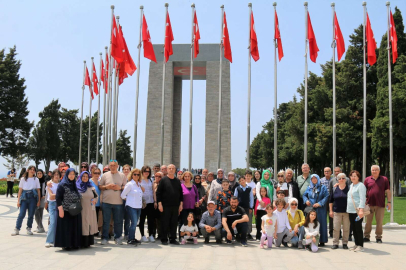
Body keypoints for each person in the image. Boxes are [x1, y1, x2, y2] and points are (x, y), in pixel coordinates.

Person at [99, 160, 127, 245]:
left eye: (114, 165)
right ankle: (105, 238)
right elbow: (100, 186)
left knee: (118, 221)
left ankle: (117, 237)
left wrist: (120, 187)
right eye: (111, 165)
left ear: (117, 166)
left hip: (118, 202)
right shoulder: (105, 175)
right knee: (106, 221)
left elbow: (126, 187)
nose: (113, 167)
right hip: (106, 202)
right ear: (109, 166)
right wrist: (107, 187)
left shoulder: (122, 175)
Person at [54, 168, 82, 250]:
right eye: (70, 174)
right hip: (65, 210)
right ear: (67, 175)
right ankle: (66, 245)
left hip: (74, 210)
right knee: (66, 228)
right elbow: (58, 198)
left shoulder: (74, 184)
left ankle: (74, 244)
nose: (72, 176)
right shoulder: (62, 185)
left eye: (73, 174)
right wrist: (60, 210)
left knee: (73, 228)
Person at [156, 164, 183, 245]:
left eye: (173, 168)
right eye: (169, 168)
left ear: (175, 170)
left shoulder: (177, 181)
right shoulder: (163, 180)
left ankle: (173, 238)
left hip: (175, 206)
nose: (171, 170)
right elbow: (158, 193)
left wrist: (181, 205)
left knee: (174, 223)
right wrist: (160, 204)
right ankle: (164, 239)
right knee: (165, 222)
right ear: (167, 170)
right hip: (165, 206)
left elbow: (181, 194)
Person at [364, 165, 390, 244]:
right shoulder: (367, 179)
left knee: (379, 222)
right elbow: (363, 191)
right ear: (371, 171)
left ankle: (378, 237)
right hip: (369, 204)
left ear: (379, 171)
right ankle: (366, 236)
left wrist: (389, 202)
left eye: (376, 170)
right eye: (373, 170)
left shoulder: (384, 179)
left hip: (380, 204)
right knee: (368, 221)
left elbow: (388, 191)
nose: (374, 171)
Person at [12, 166, 40, 236]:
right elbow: (20, 190)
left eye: (34, 170)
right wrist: (18, 201)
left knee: (31, 214)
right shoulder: (23, 179)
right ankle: (17, 229)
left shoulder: (36, 179)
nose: (32, 171)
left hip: (33, 197)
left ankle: (29, 228)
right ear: (28, 170)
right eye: (31, 169)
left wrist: (38, 200)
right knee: (21, 214)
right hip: (24, 197)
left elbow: (38, 190)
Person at [303, 174, 329, 246]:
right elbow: (304, 195)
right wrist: (306, 200)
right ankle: (310, 238)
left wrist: (320, 203)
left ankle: (322, 240)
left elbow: (326, 196)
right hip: (311, 208)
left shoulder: (322, 187)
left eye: (315, 178)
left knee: (321, 223)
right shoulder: (309, 187)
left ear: (318, 179)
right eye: (312, 179)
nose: (314, 180)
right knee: (311, 223)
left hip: (320, 209)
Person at [121, 168, 145, 246]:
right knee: (134, 223)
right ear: (132, 175)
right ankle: (130, 239)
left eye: (138, 174)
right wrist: (129, 200)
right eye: (135, 174)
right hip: (131, 206)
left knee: (135, 223)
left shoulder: (139, 185)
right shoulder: (129, 184)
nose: (136, 176)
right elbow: (122, 195)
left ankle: (133, 237)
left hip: (138, 206)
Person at [76, 171, 98, 248]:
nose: (85, 178)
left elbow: (96, 196)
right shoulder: (77, 187)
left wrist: (95, 200)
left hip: (90, 209)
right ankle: (81, 242)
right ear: (80, 177)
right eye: (83, 176)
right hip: (81, 209)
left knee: (89, 224)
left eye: (86, 176)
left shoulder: (91, 187)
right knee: (83, 224)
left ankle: (88, 242)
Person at [329, 172, 350, 250]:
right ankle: (335, 243)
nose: (341, 180)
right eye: (340, 178)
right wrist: (331, 211)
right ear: (337, 180)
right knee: (336, 228)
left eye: (343, 178)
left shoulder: (349, 188)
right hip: (336, 211)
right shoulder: (334, 188)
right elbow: (331, 201)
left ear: (346, 179)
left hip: (347, 212)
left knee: (346, 228)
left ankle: (345, 243)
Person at [347, 170, 367, 252]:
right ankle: (356, 243)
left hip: (358, 212)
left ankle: (360, 245)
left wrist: (361, 210)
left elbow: (362, 198)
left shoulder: (361, 185)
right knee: (354, 228)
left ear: (358, 177)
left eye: (355, 176)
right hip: (351, 211)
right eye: (352, 176)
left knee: (358, 227)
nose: (353, 177)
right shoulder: (351, 185)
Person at [179, 171, 199, 240]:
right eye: (185, 176)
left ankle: (192, 237)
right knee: (183, 221)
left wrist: (197, 202)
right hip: (184, 207)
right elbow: (179, 196)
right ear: (183, 177)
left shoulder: (194, 186)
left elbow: (197, 196)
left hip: (192, 207)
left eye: (188, 176)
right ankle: (181, 236)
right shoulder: (181, 186)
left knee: (192, 222)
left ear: (191, 177)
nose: (187, 178)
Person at [139, 165, 156, 243]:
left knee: (151, 220)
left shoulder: (151, 180)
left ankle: (151, 235)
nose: (147, 173)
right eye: (145, 171)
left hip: (150, 202)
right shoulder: (139, 180)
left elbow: (153, 191)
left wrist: (155, 201)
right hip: (142, 203)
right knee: (142, 219)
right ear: (142, 171)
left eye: (148, 171)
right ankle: (142, 235)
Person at [45, 169, 60, 247]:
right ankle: (49, 240)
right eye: (55, 174)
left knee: (58, 223)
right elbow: (50, 196)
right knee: (52, 222)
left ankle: (56, 240)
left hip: (60, 204)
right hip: (52, 204)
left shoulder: (61, 184)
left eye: (58, 174)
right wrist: (58, 195)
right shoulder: (50, 184)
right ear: (53, 175)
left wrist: (55, 195)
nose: (56, 176)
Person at [321, 167, 334, 238]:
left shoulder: (334, 179)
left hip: (332, 199)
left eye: (328, 171)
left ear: (331, 172)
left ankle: (332, 232)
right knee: (323, 216)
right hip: (324, 199)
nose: (326, 172)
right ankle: (323, 232)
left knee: (332, 216)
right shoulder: (321, 180)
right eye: (325, 171)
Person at [34, 169, 46, 233]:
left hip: (42, 198)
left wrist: (45, 195)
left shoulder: (45, 181)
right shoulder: (34, 181)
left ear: (42, 174)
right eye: (38, 173)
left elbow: (47, 189)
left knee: (40, 213)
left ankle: (39, 227)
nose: (39, 175)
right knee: (36, 212)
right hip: (35, 198)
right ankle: (40, 227)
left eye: (40, 173)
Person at [90, 167, 102, 232]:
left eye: (98, 173)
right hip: (91, 204)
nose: (97, 174)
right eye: (95, 173)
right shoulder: (89, 181)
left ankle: (95, 232)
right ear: (92, 173)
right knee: (91, 219)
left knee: (96, 219)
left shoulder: (100, 182)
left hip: (98, 204)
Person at [153, 171, 163, 240]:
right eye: (156, 176)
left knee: (160, 221)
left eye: (159, 176)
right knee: (153, 220)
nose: (157, 177)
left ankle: (160, 234)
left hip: (161, 205)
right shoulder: (152, 183)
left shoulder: (163, 184)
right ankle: (152, 234)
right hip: (152, 204)